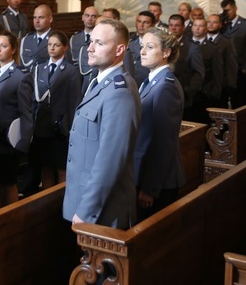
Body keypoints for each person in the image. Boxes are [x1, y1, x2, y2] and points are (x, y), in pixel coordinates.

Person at [63, 18, 141, 229]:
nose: (90, 48)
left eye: (100, 43)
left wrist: (87, 210)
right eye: (91, 42)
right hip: (84, 197)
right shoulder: (97, 81)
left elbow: (111, 158)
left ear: (119, 49)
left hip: (103, 211)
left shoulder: (119, 92)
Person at [0, 31, 33, 210]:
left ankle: (11, 224)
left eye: (4, 45)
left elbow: (26, 113)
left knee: (8, 184)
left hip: (8, 140)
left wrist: (22, 143)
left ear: (13, 49)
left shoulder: (20, 76)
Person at [134, 27, 185, 222]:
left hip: (158, 183)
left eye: (150, 47)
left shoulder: (165, 86)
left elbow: (163, 142)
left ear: (166, 52)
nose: (143, 52)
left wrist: (150, 188)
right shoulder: (152, 81)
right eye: (141, 46)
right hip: (145, 173)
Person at [25, 30, 81, 193]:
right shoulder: (38, 68)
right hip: (41, 126)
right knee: (45, 168)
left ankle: (60, 203)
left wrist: (69, 128)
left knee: (61, 169)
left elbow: (74, 102)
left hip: (60, 128)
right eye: (49, 44)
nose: (52, 48)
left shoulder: (71, 71)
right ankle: (46, 203)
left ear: (65, 48)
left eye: (56, 45)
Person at [220, 0, 246, 107]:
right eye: (224, 10)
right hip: (223, 70)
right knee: (222, 101)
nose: (226, 13)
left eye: (229, 10)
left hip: (239, 70)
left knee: (239, 102)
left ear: (235, 8)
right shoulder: (222, 24)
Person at [167, 14, 205, 118]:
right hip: (165, 94)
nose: (173, 28)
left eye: (177, 25)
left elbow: (199, 73)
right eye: (171, 25)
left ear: (183, 27)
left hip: (183, 96)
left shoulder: (192, 47)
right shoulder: (163, 45)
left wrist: (187, 90)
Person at [206, 13, 238, 108]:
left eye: (215, 22)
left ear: (220, 25)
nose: (211, 24)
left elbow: (231, 65)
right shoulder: (202, 40)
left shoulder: (226, 42)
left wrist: (229, 85)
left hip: (220, 85)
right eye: (209, 22)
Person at [67, 6, 99, 86]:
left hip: (92, 76)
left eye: (93, 16)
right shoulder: (75, 38)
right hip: (75, 78)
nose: (90, 19)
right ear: (82, 17)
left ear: (98, 18)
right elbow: (70, 59)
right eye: (87, 16)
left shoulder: (99, 39)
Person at [19, 4, 53, 68]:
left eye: (41, 17)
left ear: (50, 19)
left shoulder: (57, 39)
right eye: (35, 18)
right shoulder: (26, 40)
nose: (37, 21)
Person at [128, 11, 156, 87]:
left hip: (148, 86)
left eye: (146, 22)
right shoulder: (130, 44)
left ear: (153, 25)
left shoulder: (157, 46)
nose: (141, 25)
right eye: (139, 21)